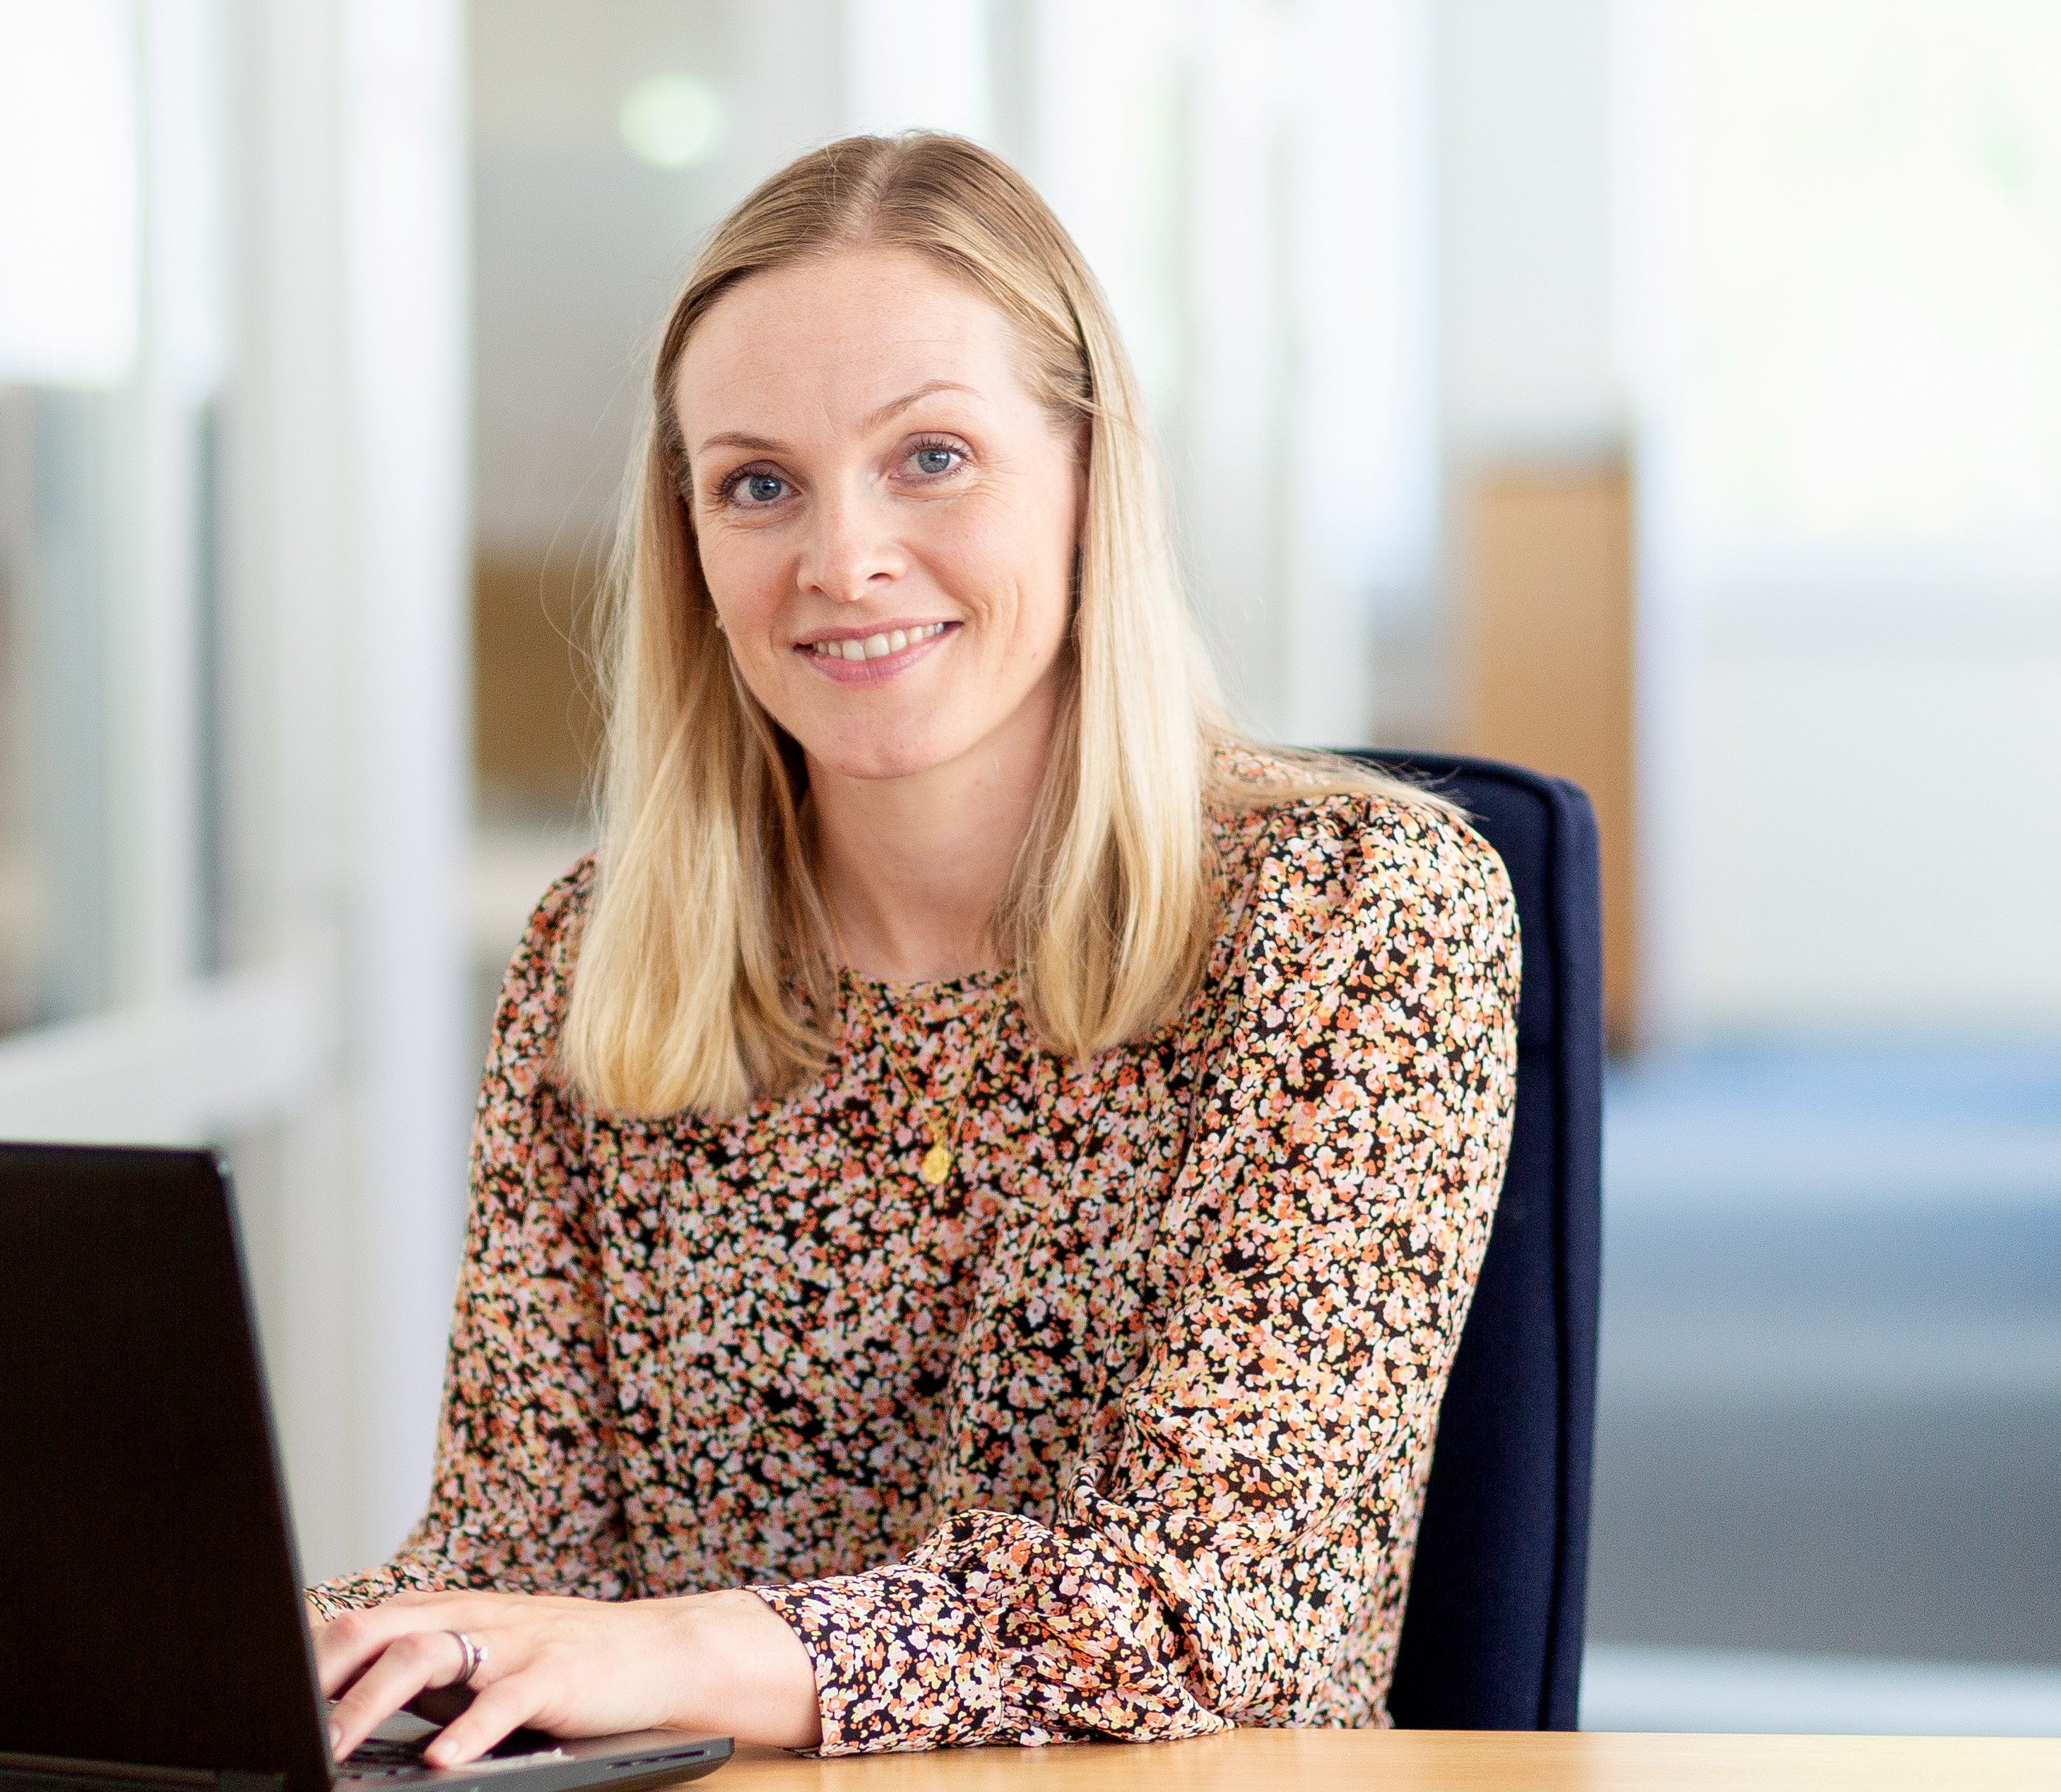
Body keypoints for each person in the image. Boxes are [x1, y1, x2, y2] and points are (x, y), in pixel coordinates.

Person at [309, 133, 1518, 1768]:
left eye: (929, 457)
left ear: (1087, 477)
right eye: (757, 484)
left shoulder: (1354, 915)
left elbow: (1217, 1601)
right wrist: (286, 1642)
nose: (840, 559)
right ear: (688, 539)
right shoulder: (609, 950)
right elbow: (520, 1560)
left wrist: (682, 1645)